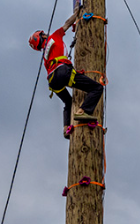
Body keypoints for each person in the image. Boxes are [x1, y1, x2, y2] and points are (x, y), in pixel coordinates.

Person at [29, 9, 104, 139]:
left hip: (52, 81)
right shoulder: (54, 36)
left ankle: (65, 129)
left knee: (68, 102)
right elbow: (67, 24)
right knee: (97, 88)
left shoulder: (46, 55)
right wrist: (77, 13)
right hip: (63, 72)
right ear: (43, 36)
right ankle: (83, 111)